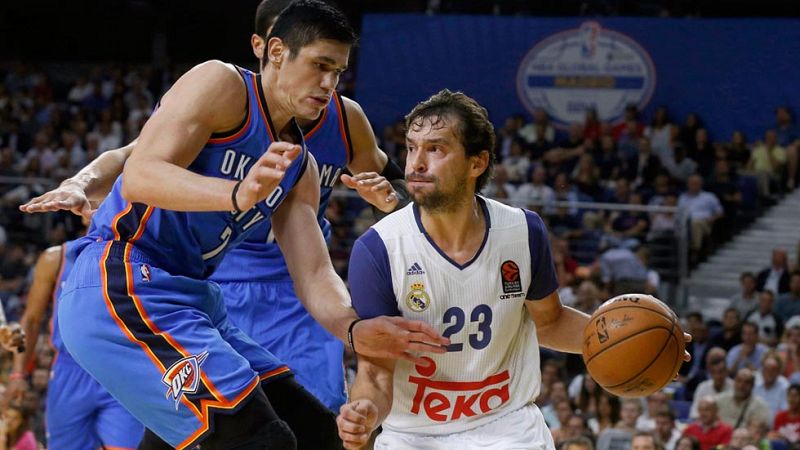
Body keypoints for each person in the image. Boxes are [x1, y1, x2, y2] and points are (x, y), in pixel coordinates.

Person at [56, 2, 447, 449]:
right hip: (123, 281)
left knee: (318, 437)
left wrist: (353, 329)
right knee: (262, 441)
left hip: (196, 300)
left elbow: (315, 274)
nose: (328, 84)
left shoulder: (300, 166)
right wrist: (236, 193)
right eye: (320, 65)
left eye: (337, 72)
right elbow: (141, 174)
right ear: (275, 51)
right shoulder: (222, 85)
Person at [336, 89, 690, 449]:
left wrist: (642, 340)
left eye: (436, 149)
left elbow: (548, 322)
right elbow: (375, 372)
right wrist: (365, 410)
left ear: (477, 163)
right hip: (415, 435)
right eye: (412, 147)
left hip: (506, 427)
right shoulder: (377, 248)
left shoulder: (523, 231)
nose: (415, 164)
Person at [6, 239, 144, 449]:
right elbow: (31, 320)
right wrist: (18, 373)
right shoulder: (56, 257)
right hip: (69, 370)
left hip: (120, 368)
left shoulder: (139, 254)